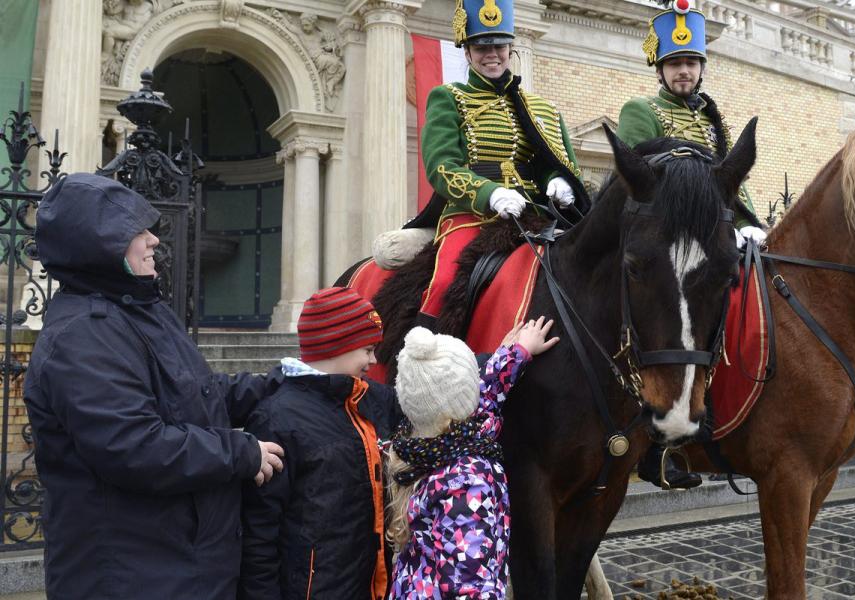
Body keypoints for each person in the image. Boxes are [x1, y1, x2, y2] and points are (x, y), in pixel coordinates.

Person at [23, 173, 286, 599]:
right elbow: (133, 447)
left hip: (181, 563)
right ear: (99, 246)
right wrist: (241, 452)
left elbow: (194, 395)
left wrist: (278, 382)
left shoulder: (140, 310)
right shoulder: (81, 335)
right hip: (134, 574)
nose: (154, 241)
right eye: (137, 232)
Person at [616, 0, 768, 490]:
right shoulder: (643, 111)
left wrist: (749, 221)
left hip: (708, 235)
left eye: (691, 63)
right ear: (660, 68)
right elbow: (645, 170)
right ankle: (654, 449)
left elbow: (728, 182)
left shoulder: (711, 117)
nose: (684, 71)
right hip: (667, 238)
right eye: (675, 63)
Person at [404, 0, 587, 327]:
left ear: (510, 48)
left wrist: (559, 181)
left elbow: (555, 161)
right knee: (444, 284)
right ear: (467, 51)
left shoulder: (541, 108)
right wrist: (489, 193)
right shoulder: (450, 98)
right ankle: (423, 358)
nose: (492, 53)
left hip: (534, 212)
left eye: (499, 45)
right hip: (472, 215)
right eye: (481, 45)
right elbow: (441, 165)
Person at [239, 287, 400, 600]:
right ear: (338, 346)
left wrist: (507, 356)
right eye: (367, 349)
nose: (373, 359)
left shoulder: (365, 398)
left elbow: (433, 393)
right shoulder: (278, 418)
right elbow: (259, 533)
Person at [383, 318, 558, 599]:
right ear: (465, 398)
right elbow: (469, 586)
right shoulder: (466, 484)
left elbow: (485, 393)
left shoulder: (419, 438)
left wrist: (518, 352)